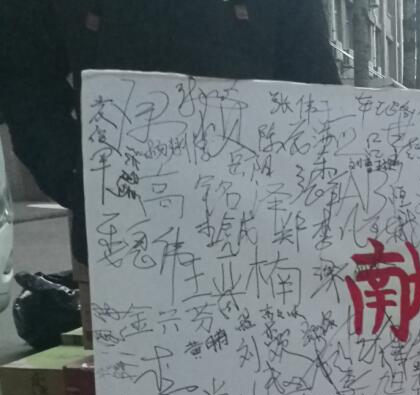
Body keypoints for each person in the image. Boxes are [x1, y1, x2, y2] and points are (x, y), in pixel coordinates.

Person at [0, 2, 340, 395]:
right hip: (127, 242)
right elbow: (22, 72)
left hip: (265, 245)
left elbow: (317, 85)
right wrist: (84, 179)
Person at [0, 0, 342, 266]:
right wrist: (81, 182)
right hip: (122, 244)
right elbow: (26, 82)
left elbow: (319, 100)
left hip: (266, 238)